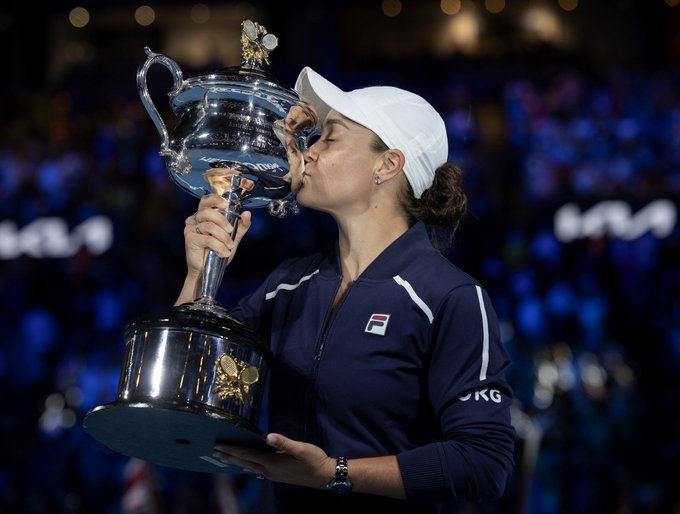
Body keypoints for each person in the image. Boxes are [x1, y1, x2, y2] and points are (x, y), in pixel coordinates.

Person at [175, 67, 515, 513]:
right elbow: (186, 391)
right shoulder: (288, 284)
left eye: (328, 138)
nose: (307, 153)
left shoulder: (448, 297)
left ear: (387, 164)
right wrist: (198, 274)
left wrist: (333, 474)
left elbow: (485, 462)